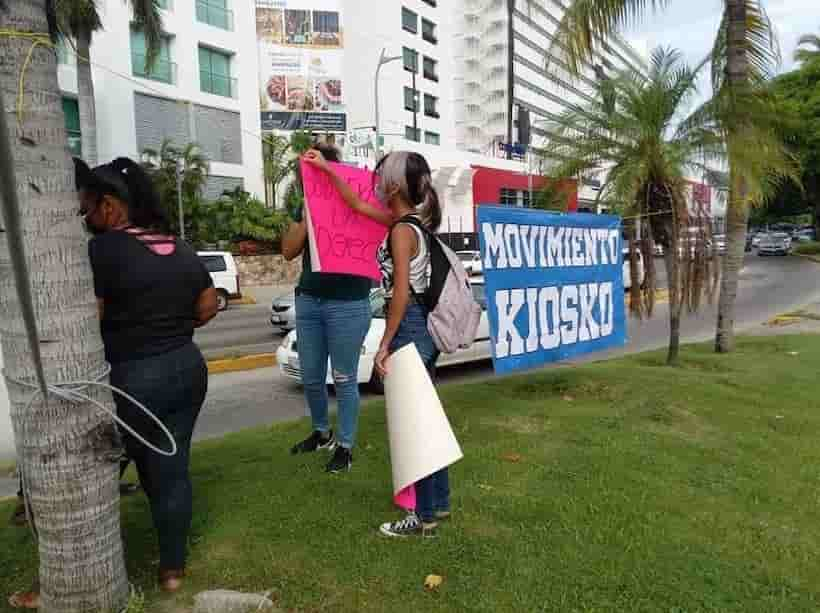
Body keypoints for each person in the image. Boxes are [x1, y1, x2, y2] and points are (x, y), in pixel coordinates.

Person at [77, 157, 217, 591]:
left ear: (111, 206)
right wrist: (171, 328)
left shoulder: (102, 250)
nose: (87, 218)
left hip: (130, 380)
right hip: (185, 368)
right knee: (171, 468)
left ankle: (72, 573)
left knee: (93, 472)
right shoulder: (177, 245)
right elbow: (208, 302)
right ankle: (172, 571)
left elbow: (90, 317)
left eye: (89, 209)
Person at [303, 149, 450, 538]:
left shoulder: (402, 231)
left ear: (396, 185)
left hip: (411, 329)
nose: (376, 182)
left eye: (382, 175)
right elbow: (352, 203)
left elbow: (399, 292)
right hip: (419, 329)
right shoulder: (406, 223)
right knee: (427, 420)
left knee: (414, 426)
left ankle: (422, 519)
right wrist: (326, 169)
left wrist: (385, 343)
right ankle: (438, 504)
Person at [282, 142, 372, 474]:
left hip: (348, 302)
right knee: (311, 376)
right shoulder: (302, 205)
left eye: (314, 167)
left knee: (345, 377)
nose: (306, 174)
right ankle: (322, 433)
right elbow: (288, 251)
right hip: (309, 299)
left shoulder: (358, 203)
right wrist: (309, 215)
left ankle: (345, 447)